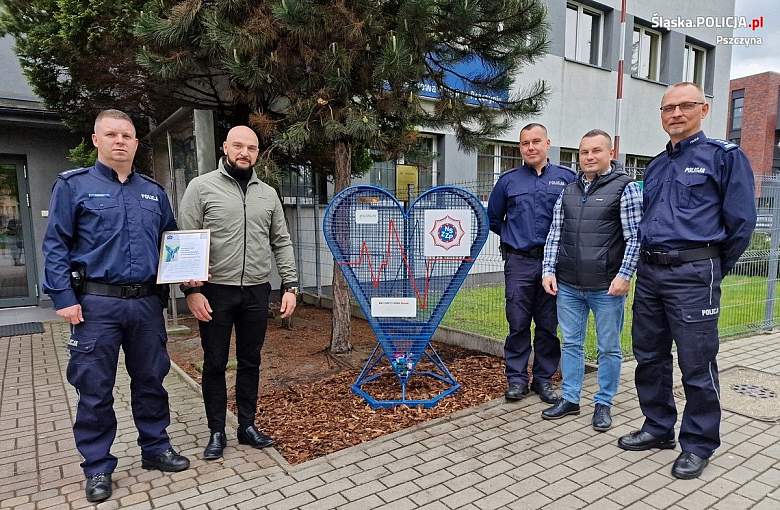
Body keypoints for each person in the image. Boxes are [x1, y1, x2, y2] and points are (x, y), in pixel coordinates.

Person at [43, 110, 190, 504]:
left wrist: (189, 271)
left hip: (145, 305)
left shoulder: (152, 192)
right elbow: (56, 243)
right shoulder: (74, 187)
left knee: (151, 380)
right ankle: (97, 468)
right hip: (96, 306)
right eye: (111, 134)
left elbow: (170, 242)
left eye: (127, 135)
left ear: (136, 143)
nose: (120, 141)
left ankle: (155, 448)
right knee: (94, 389)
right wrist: (63, 298)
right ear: (96, 140)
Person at [618, 82, 757, 479]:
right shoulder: (657, 164)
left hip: (694, 274)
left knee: (696, 363)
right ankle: (658, 427)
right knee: (649, 355)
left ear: (704, 110)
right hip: (651, 273)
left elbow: (741, 224)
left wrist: (708, 265)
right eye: (668, 108)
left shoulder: (724, 157)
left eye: (685, 106)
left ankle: (697, 443)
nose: (675, 114)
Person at [178, 125, 298, 461]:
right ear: (225, 148)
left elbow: (281, 241)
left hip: (257, 292)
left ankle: (246, 426)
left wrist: (290, 285)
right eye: (238, 146)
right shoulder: (201, 188)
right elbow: (187, 240)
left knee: (251, 361)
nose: (244, 153)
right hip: (215, 293)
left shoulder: (268, 194)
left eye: (252, 148)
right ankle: (217, 430)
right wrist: (191, 290)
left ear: (257, 152)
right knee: (214, 363)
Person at [541, 129, 642, 431]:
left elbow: (635, 237)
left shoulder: (625, 188)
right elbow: (555, 234)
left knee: (608, 348)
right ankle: (571, 399)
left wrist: (625, 276)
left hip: (607, 287)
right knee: (571, 343)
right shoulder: (569, 190)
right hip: (569, 285)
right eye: (584, 152)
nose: (589, 157)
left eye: (596, 151)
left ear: (611, 153)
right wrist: (548, 269)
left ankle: (604, 402)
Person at [487, 123, 576, 403]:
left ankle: (543, 380)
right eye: (525, 143)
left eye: (536, 141)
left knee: (549, 325)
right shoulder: (508, 181)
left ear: (548, 143)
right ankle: (516, 380)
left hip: (554, 266)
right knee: (518, 324)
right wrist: (516, 237)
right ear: (520, 148)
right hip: (520, 263)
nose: (531, 147)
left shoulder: (567, 179)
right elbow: (493, 219)